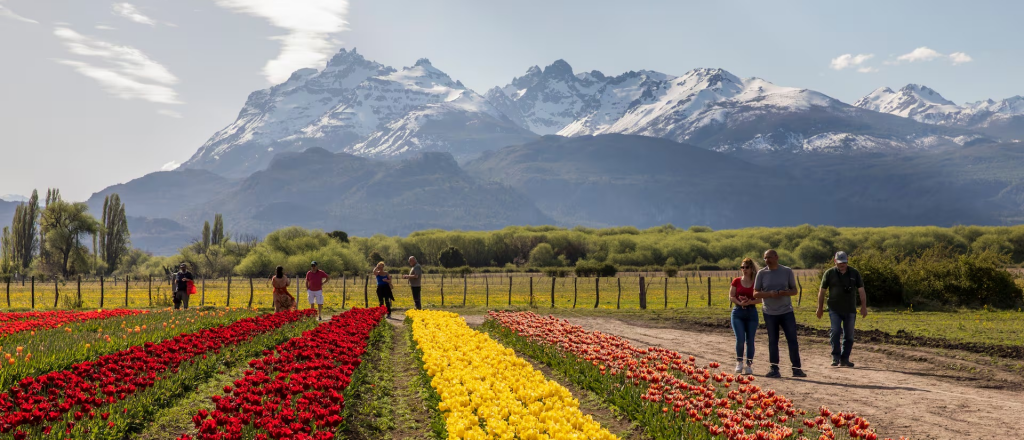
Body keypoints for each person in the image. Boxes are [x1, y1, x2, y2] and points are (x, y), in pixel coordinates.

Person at [753, 249, 805, 378]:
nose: (767, 260)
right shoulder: (761, 273)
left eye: (769, 257)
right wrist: (769, 294)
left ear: (776, 257)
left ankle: (796, 369)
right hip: (769, 312)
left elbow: (794, 291)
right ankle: (774, 369)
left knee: (792, 340)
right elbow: (755, 293)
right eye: (765, 258)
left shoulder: (787, 271)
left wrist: (784, 292)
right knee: (773, 341)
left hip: (786, 311)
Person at [817, 251, 868, 367]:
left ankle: (845, 358)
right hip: (834, 308)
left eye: (844, 262)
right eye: (840, 262)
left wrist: (863, 307)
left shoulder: (854, 273)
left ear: (847, 261)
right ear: (835, 261)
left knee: (849, 335)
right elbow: (822, 291)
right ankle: (835, 357)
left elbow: (861, 290)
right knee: (835, 331)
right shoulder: (829, 273)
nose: (842, 264)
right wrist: (819, 308)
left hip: (850, 309)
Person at [730, 258, 762, 375]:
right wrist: (740, 302)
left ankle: (749, 365)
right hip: (738, 312)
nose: (744, 270)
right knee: (740, 339)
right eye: (742, 267)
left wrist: (750, 302)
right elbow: (731, 296)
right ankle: (739, 362)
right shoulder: (736, 281)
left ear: (751, 268)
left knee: (750, 340)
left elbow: (761, 298)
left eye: (746, 267)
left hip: (751, 312)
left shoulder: (756, 282)